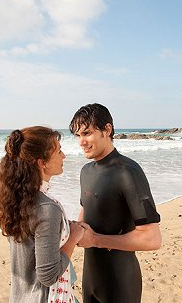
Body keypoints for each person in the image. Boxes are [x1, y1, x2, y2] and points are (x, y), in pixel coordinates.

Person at [69, 104, 162, 303]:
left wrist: (95, 240)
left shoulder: (128, 172)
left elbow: (152, 239)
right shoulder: (86, 171)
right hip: (90, 278)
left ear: (107, 130)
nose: (81, 142)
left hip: (121, 283)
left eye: (87, 133)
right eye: (78, 136)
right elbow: (86, 211)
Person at [0, 126, 84, 303]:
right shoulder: (47, 208)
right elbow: (48, 275)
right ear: (42, 162)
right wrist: (73, 238)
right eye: (59, 151)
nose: (64, 156)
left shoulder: (17, 199)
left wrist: (64, 228)